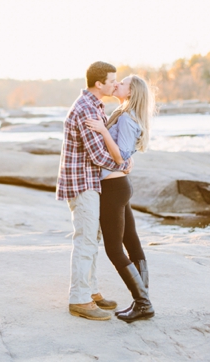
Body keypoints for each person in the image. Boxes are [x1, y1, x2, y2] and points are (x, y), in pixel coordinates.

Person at [56, 61, 133, 321]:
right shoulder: (86, 109)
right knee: (86, 240)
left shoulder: (96, 106)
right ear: (99, 84)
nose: (115, 83)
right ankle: (79, 299)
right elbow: (98, 154)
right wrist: (122, 165)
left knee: (93, 239)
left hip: (91, 184)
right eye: (112, 80)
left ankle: (91, 292)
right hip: (82, 184)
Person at [85, 74, 156, 322]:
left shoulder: (126, 118)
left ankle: (143, 303)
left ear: (132, 91)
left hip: (114, 189)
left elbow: (122, 155)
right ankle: (143, 301)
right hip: (119, 186)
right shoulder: (123, 113)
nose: (117, 85)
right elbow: (125, 157)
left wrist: (103, 130)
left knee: (114, 249)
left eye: (122, 83)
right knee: (132, 243)